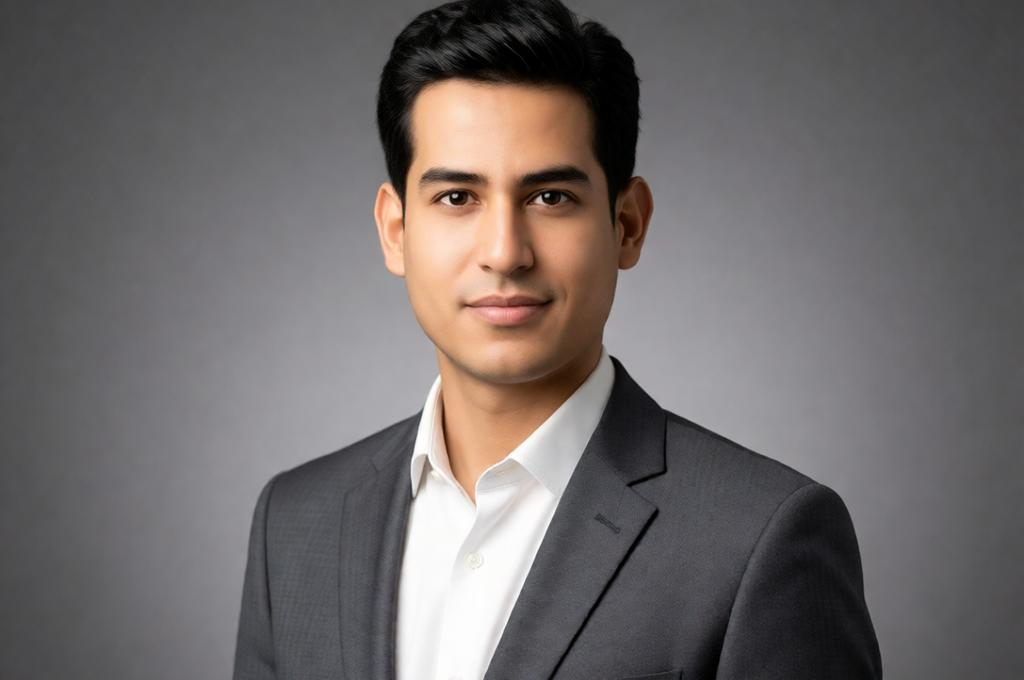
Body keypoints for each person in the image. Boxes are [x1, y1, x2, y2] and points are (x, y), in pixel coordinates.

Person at [232, 1, 882, 678]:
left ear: (626, 225)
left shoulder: (760, 538)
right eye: (457, 197)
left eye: (550, 198)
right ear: (395, 231)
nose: (505, 253)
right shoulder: (296, 521)